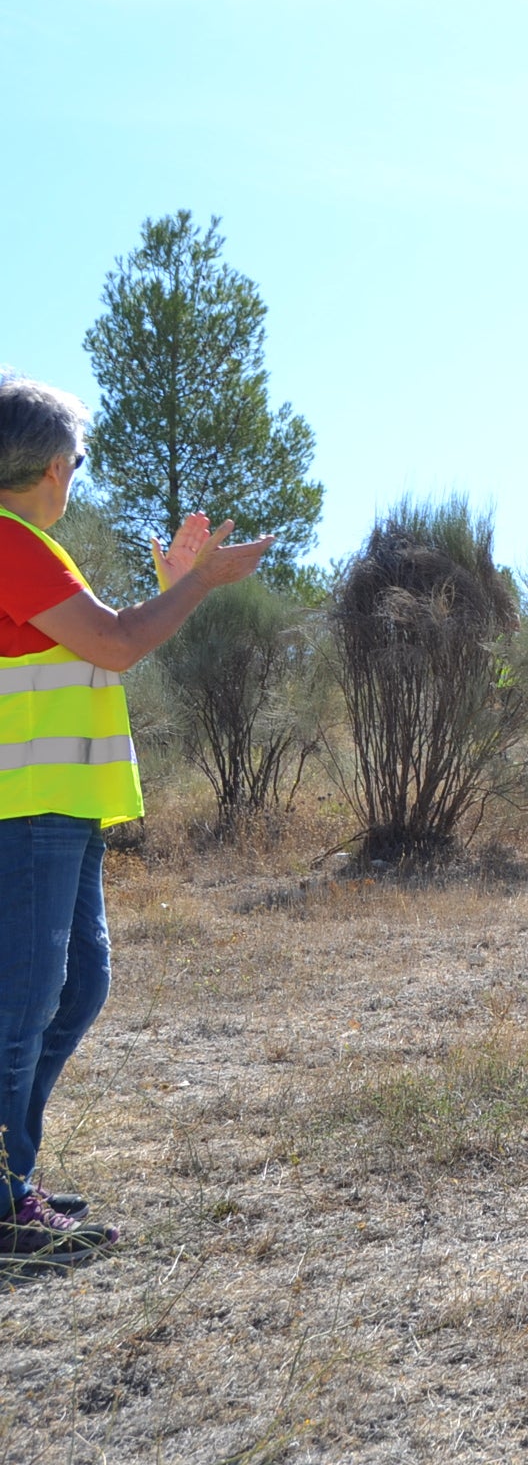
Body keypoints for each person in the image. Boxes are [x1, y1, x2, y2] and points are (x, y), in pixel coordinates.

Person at [0, 376, 273, 1268]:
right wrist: (197, 585)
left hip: (60, 808)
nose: (76, 474)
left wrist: (170, 587)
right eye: (77, 460)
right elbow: (117, 642)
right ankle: (8, 1207)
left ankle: (15, 1183)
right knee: (26, 1003)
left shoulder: (31, 548)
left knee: (75, 989)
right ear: (52, 463)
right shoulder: (14, 545)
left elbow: (104, 638)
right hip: (28, 809)